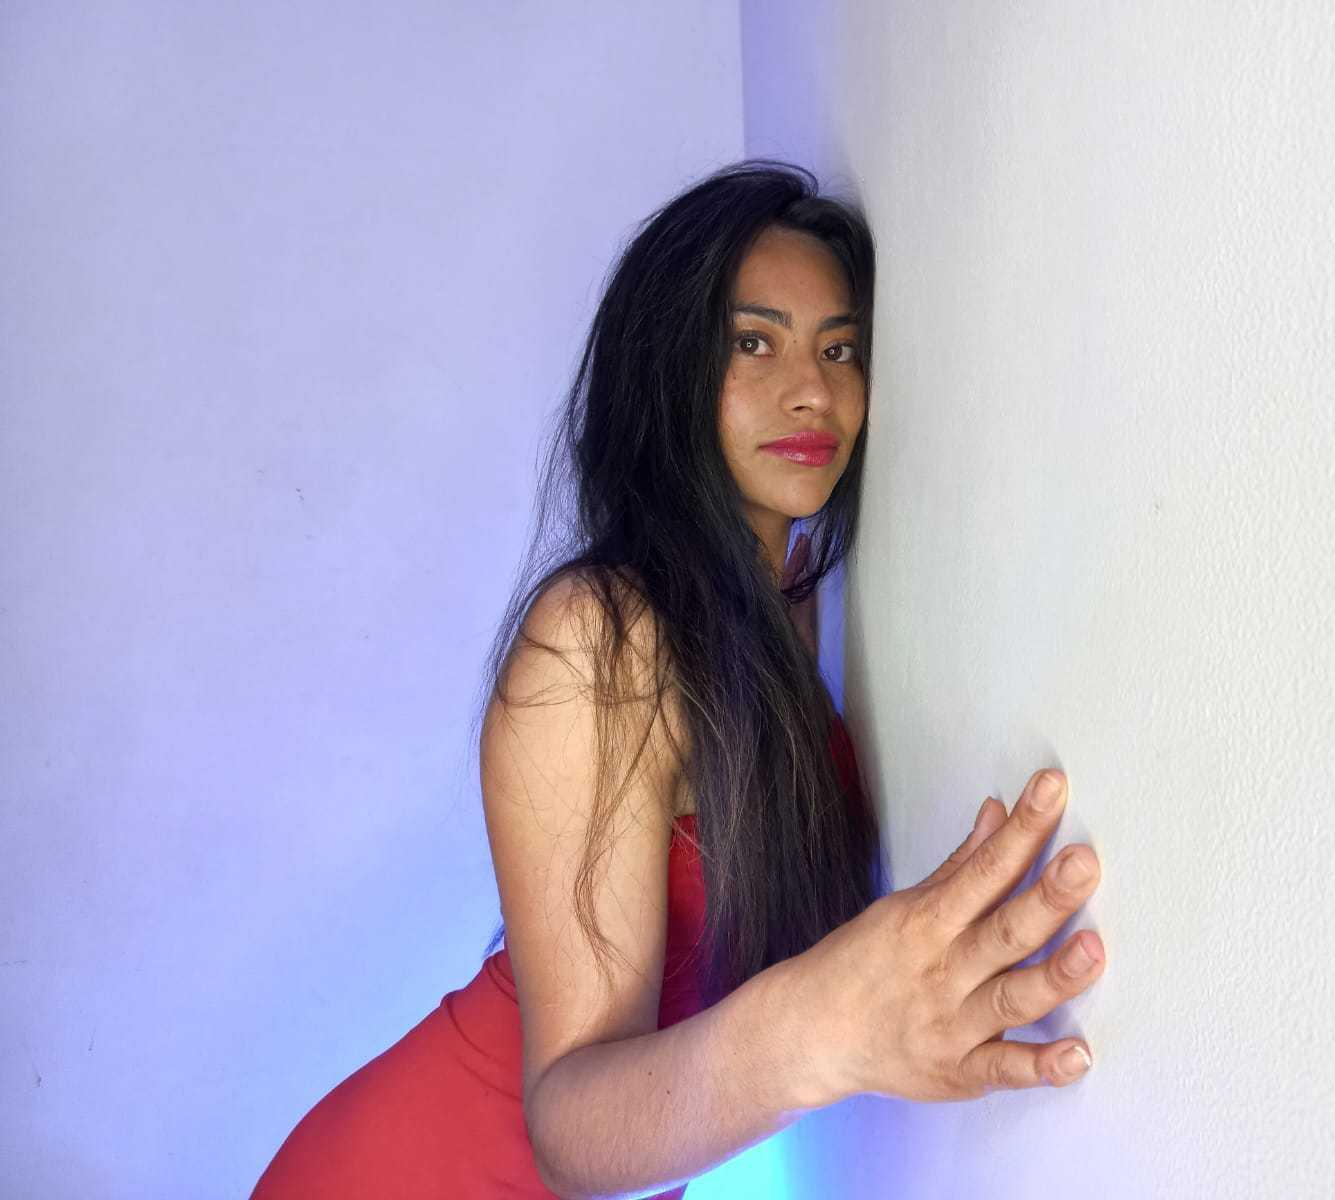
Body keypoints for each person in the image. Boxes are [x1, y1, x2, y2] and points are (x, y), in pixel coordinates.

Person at [250, 160, 1105, 1200]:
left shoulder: (784, 606)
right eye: (753, 343)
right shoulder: (599, 636)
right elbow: (568, 1129)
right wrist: (828, 1023)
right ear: (666, 370)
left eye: (839, 348)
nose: (813, 389)